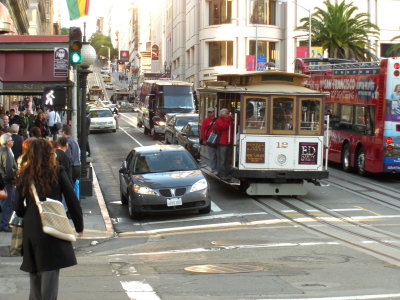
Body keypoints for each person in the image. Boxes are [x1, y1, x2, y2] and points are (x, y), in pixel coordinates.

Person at [13, 138, 83, 300]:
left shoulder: (25, 173)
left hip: (31, 226)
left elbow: (16, 205)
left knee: (35, 274)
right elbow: (72, 199)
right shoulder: (57, 171)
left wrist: (27, 213)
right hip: (52, 224)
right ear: (49, 154)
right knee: (50, 273)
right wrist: (79, 226)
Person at [0, 133, 17, 232]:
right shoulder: (5, 152)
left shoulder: (4, 150)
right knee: (8, 203)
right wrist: (13, 180)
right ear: (7, 142)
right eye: (11, 139)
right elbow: (9, 169)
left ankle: (3, 223)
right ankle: (4, 224)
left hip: (4, 180)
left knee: (5, 203)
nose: (13, 141)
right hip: (7, 181)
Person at [215, 108, 234, 180]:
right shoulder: (219, 120)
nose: (228, 115)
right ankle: (222, 174)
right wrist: (229, 119)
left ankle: (228, 173)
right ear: (223, 114)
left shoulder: (229, 120)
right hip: (222, 142)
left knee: (228, 159)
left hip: (229, 142)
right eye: (227, 113)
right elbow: (223, 127)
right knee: (222, 159)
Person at [200, 107, 217, 173]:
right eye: (209, 112)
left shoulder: (217, 120)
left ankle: (216, 168)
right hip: (209, 138)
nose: (210, 113)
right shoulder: (205, 120)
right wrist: (204, 139)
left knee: (217, 154)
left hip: (217, 138)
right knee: (212, 154)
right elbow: (202, 130)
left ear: (214, 112)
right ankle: (213, 168)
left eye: (211, 112)